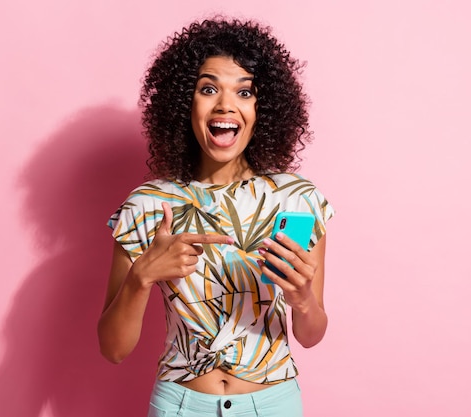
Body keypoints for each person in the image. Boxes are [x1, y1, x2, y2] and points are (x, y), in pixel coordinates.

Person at [98, 17, 334, 417]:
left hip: (273, 404)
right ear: (183, 103)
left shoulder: (297, 199)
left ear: (264, 109)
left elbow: (310, 336)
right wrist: (142, 276)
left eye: (244, 92)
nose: (225, 105)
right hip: (181, 405)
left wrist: (302, 299)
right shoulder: (148, 204)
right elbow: (113, 349)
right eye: (208, 89)